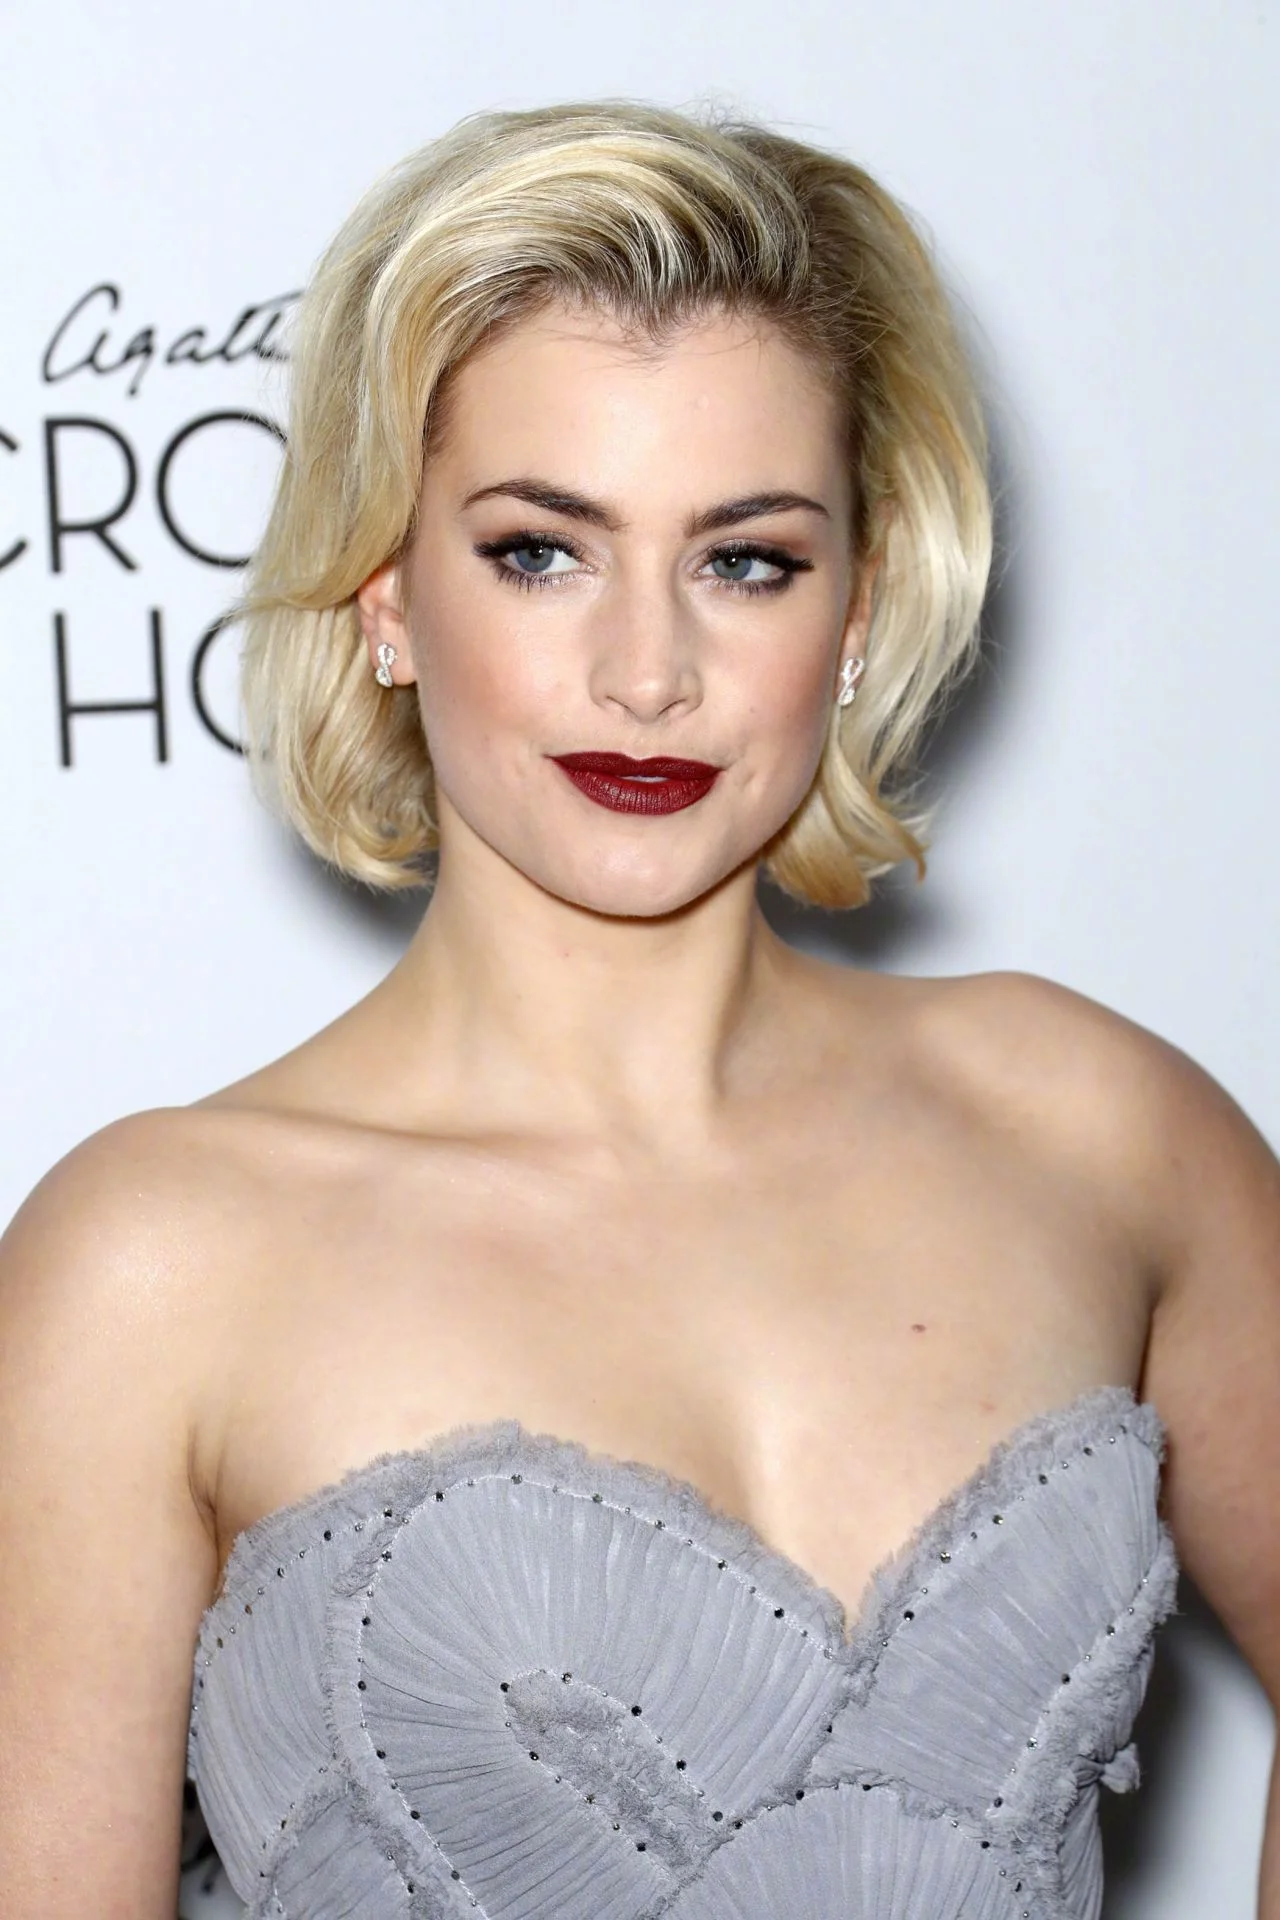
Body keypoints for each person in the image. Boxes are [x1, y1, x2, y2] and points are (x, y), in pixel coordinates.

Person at [0, 100, 1276, 1920]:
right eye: (543, 549)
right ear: (385, 597)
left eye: (745, 559)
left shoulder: (1095, 1126)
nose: (649, 671)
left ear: (857, 610)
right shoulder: (153, 1264)